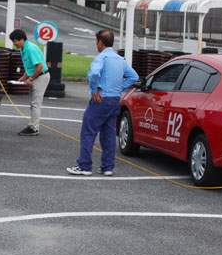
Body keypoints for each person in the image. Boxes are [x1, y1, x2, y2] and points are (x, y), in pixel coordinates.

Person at [67, 29, 139, 177]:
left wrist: (95, 89)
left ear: (100, 42)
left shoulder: (101, 58)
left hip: (101, 99)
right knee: (109, 134)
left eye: (96, 41)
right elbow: (133, 76)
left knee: (88, 131)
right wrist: (119, 88)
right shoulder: (120, 59)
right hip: (114, 99)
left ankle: (84, 165)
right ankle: (107, 167)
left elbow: (94, 74)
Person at [9, 29, 50, 136]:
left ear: (21, 39)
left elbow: (40, 66)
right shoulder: (24, 49)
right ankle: (33, 125)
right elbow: (30, 67)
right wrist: (23, 77)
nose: (14, 43)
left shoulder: (30, 49)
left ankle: (34, 128)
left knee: (35, 103)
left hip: (41, 76)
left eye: (15, 41)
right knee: (33, 103)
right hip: (36, 76)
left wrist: (30, 79)